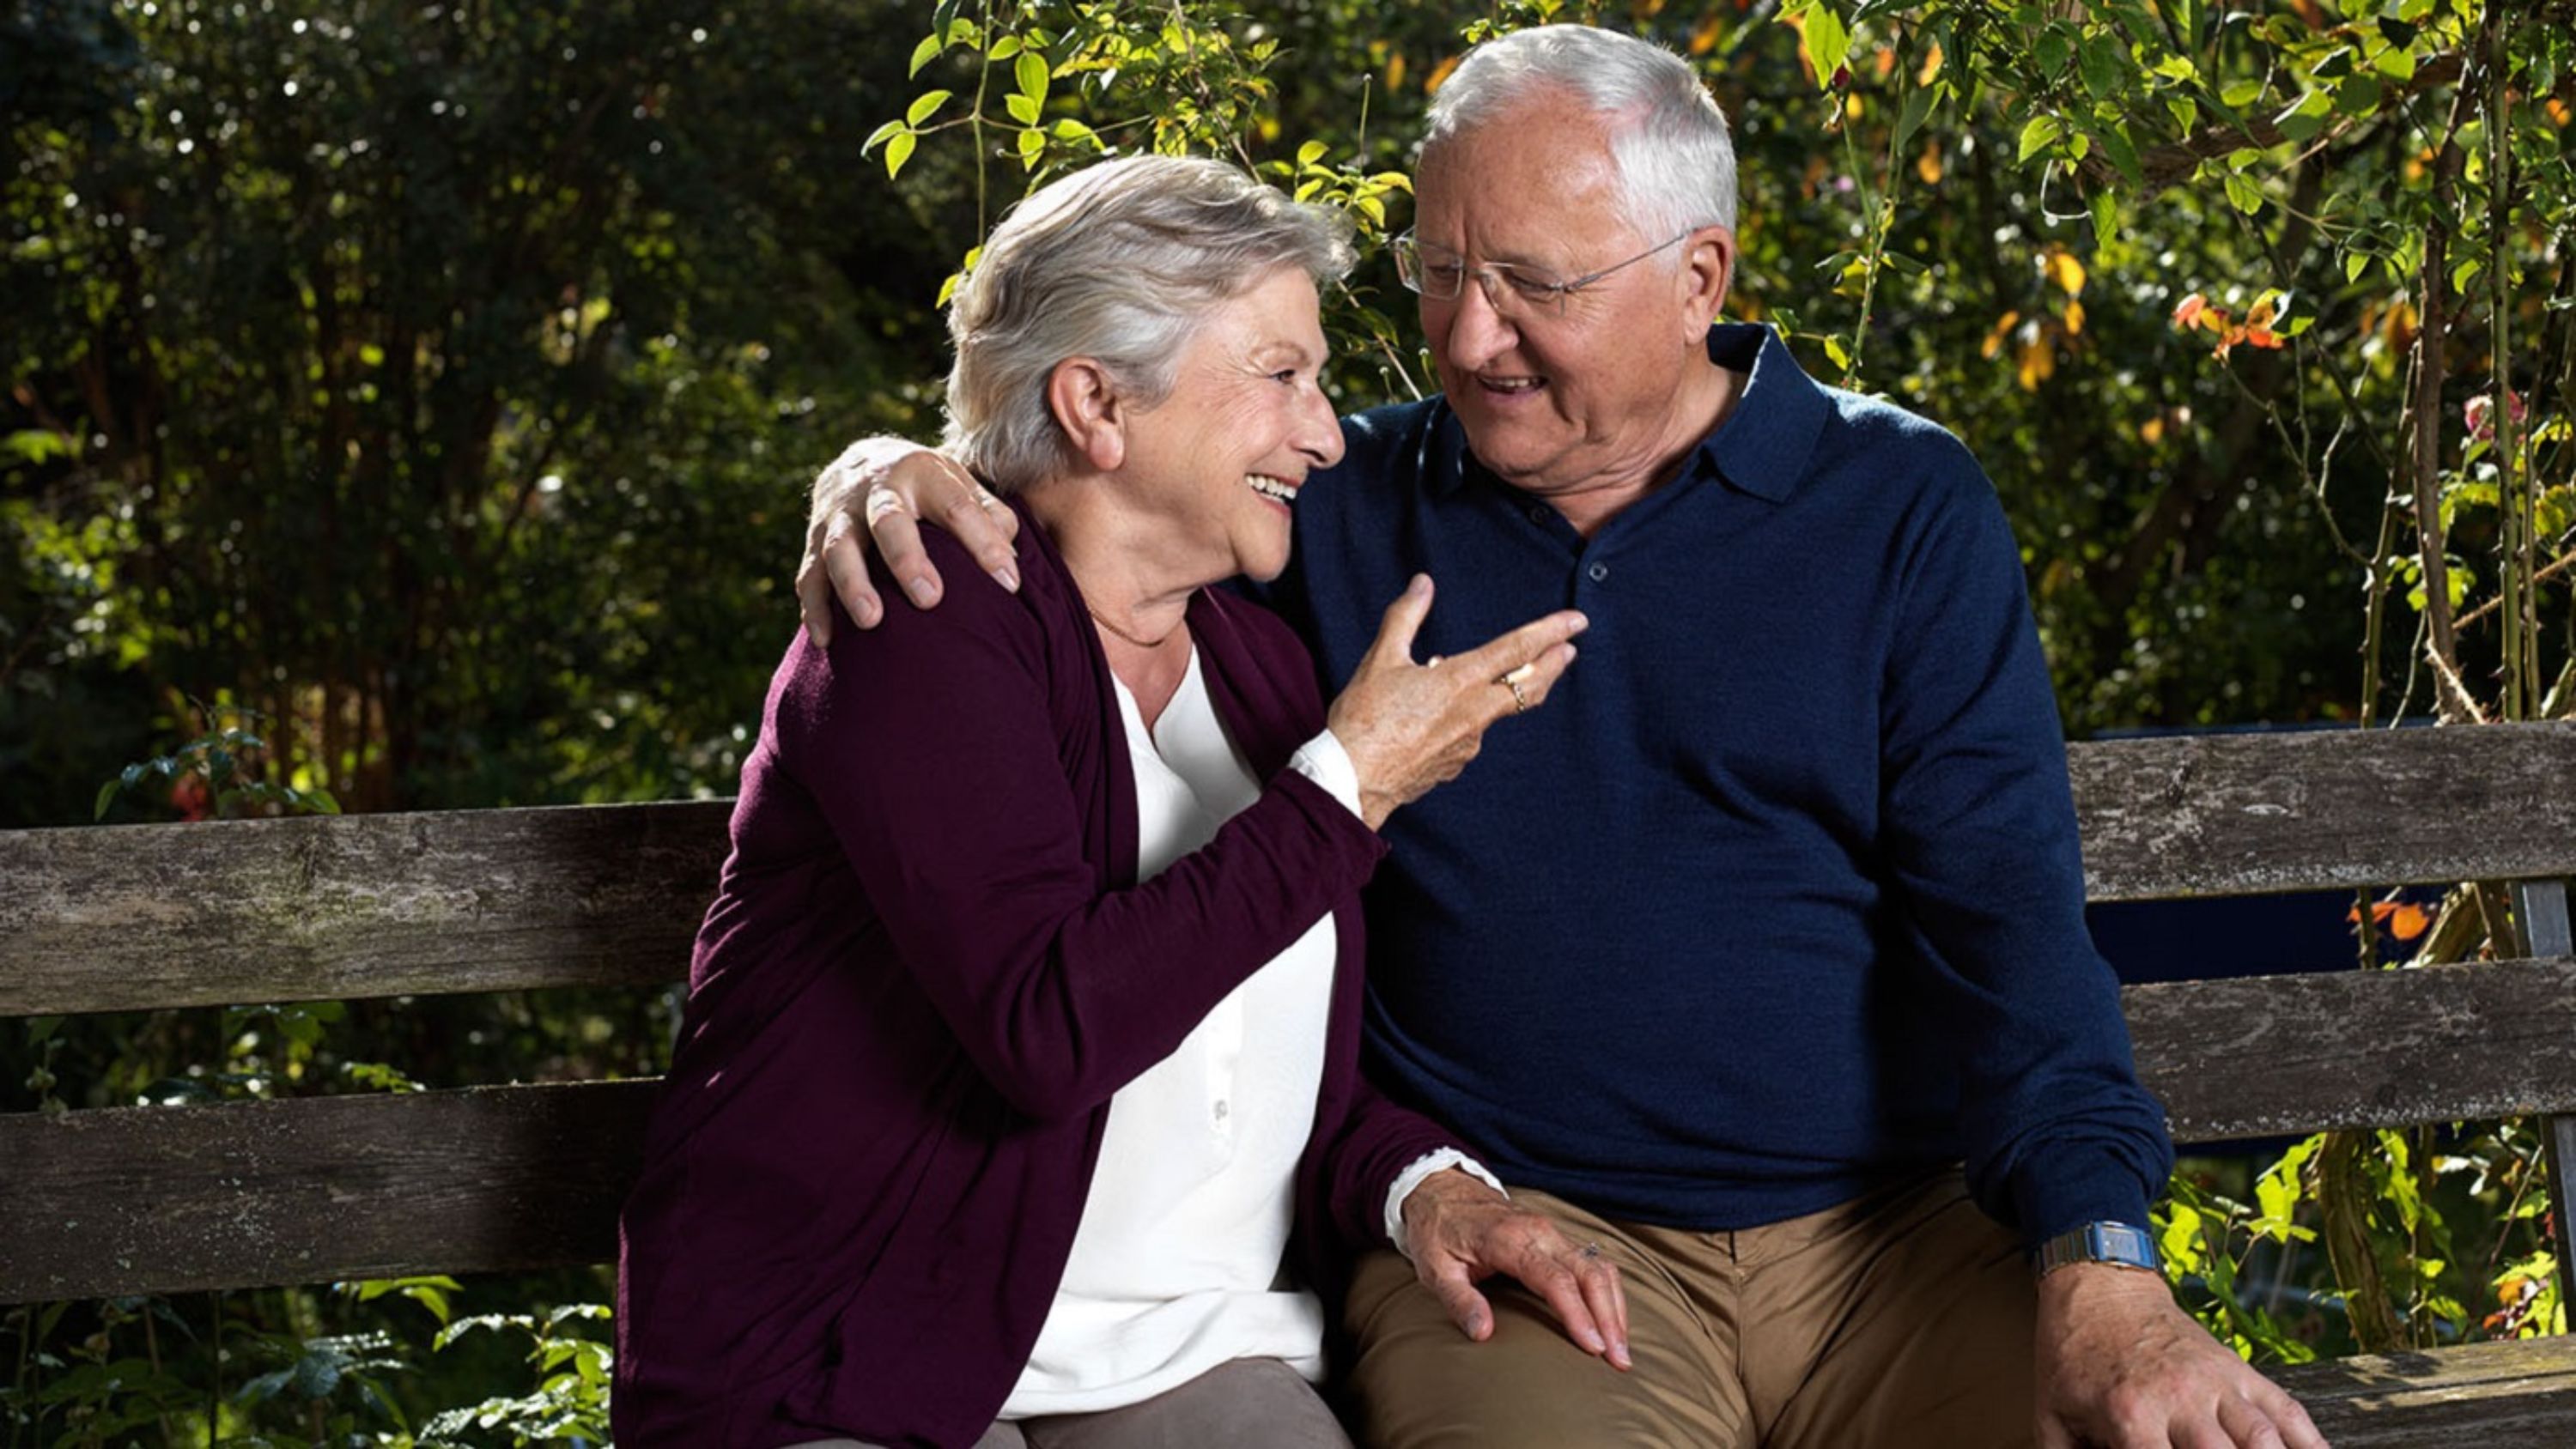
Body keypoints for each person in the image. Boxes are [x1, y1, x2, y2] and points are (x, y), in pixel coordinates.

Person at [795, 27, 2330, 1449]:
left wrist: (2108, 1272)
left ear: (1700, 276)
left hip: (1894, 1242)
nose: (1470, 341)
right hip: (1525, 1248)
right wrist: (892, 465)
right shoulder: (1331, 503)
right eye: (1441, 270)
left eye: (1535, 284)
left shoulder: (1900, 508)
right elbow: (1105, 468)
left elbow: (2017, 943)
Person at [613, 155, 1607, 1449]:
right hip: (857, 1349)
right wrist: (1346, 787)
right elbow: (1049, 1030)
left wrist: (1422, 1187)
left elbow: (1259, 1054)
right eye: (1280, 374)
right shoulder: (923, 617)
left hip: (1184, 1351)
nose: (1321, 432)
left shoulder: (1256, 666)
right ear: (1095, 403)